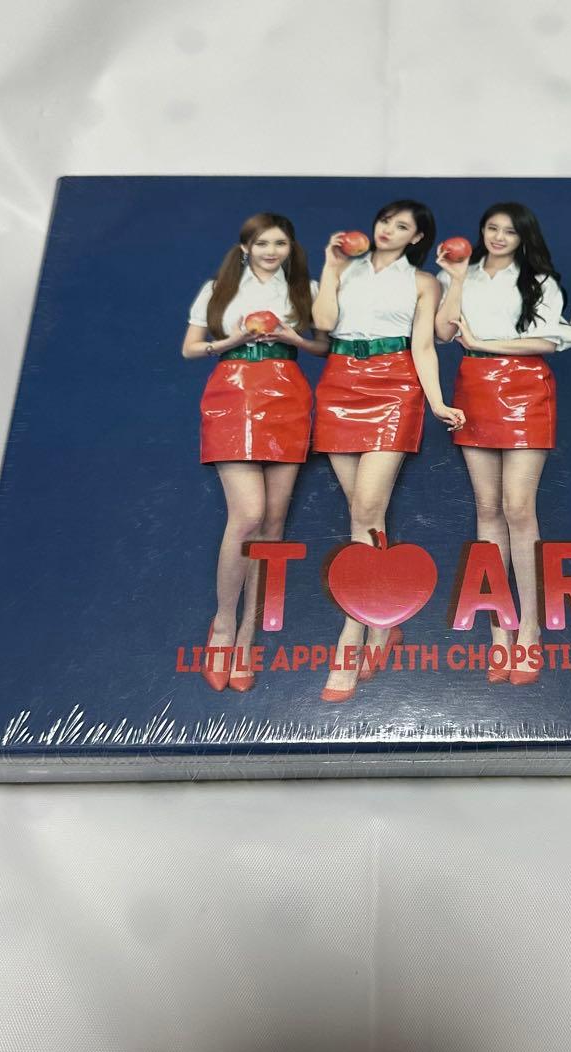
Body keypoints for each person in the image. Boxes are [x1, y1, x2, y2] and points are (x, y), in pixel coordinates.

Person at [313, 199, 465, 702]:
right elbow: (322, 323)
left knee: (366, 510)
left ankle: (350, 635)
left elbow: (424, 345)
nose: (388, 230)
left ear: (416, 237)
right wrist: (330, 267)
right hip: (339, 383)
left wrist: (437, 402)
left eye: (402, 226)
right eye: (385, 221)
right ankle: (382, 621)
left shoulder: (423, 283)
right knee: (363, 517)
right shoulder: (344, 269)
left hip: (394, 387)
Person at [182, 212, 329, 692]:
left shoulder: (305, 288)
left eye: (280, 243)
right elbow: (190, 348)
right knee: (247, 515)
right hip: (233, 391)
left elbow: (323, 346)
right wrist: (234, 340)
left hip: (287, 393)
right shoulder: (218, 288)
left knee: (273, 524)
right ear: (245, 247)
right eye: (262, 243)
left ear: (290, 248)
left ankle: (247, 637)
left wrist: (291, 337)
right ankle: (224, 625)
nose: (271, 251)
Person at [435, 202, 571, 684]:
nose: (498, 237)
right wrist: (456, 280)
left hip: (525, 389)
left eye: (510, 232)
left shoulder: (540, 281)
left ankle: (531, 629)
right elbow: (442, 332)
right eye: (492, 228)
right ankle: (500, 631)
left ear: (523, 238)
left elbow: (548, 343)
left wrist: (484, 343)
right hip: (474, 389)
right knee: (487, 508)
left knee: (519, 507)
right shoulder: (462, 274)